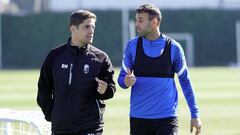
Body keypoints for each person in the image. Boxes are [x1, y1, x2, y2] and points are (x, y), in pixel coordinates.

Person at [118, 3, 202, 135]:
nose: (136, 24)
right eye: (136, 20)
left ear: (154, 22)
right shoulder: (132, 46)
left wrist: (195, 114)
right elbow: (121, 79)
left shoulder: (174, 48)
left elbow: (185, 81)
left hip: (167, 119)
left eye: (140, 20)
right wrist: (125, 81)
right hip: (138, 118)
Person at [37, 9, 116, 135]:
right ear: (73, 29)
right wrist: (53, 115)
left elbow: (110, 89)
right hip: (61, 127)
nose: (91, 31)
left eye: (93, 27)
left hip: (91, 127)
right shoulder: (55, 56)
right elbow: (43, 89)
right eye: (87, 27)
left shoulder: (101, 58)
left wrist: (105, 90)